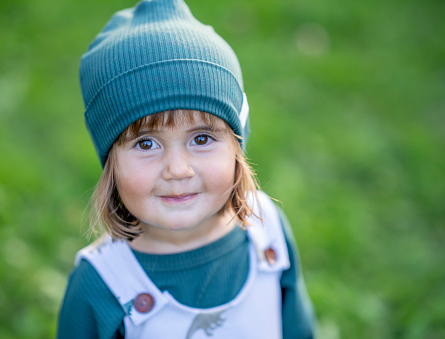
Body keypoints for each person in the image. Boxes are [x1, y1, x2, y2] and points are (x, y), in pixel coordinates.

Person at [57, 0, 315, 338]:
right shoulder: (102, 284)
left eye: (202, 138)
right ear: (111, 164)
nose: (178, 170)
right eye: (146, 143)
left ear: (237, 145)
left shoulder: (267, 231)